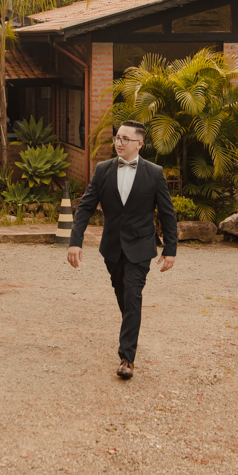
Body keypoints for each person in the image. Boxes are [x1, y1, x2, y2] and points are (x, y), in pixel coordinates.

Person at [67, 120, 178, 380]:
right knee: (123, 295)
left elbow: (167, 213)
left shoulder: (154, 172)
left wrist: (170, 249)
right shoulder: (103, 170)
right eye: (117, 137)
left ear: (139, 144)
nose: (119, 142)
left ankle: (126, 358)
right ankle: (131, 325)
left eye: (125, 139)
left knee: (133, 296)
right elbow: (85, 207)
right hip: (112, 247)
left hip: (141, 246)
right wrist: (75, 241)